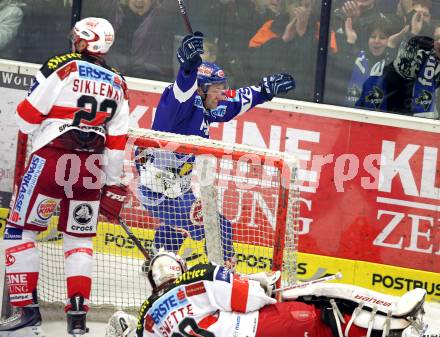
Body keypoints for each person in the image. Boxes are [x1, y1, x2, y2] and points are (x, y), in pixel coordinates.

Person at [0, 17, 129, 336]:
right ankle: (77, 318)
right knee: (80, 239)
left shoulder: (63, 65)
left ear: (87, 42)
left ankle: (26, 309)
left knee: (19, 230)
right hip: (92, 167)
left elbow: (27, 117)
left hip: (53, 157)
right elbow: (117, 142)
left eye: (79, 38)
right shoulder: (119, 82)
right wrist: (112, 184)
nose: (75, 42)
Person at [134, 30, 295, 264]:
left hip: (176, 189)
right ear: (199, 89)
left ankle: (158, 259)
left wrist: (264, 90)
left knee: (175, 229)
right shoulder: (177, 104)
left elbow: (233, 102)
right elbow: (182, 89)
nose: (221, 94)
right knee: (218, 227)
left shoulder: (205, 104)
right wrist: (188, 69)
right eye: (217, 89)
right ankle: (224, 274)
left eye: (222, 87)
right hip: (158, 192)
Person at [104, 250, 427, 337]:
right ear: (177, 267)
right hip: (256, 330)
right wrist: (264, 285)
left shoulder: (146, 318)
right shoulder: (198, 276)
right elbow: (252, 300)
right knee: (319, 306)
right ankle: (395, 319)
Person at [356, 22, 440, 118]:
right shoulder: (418, 66)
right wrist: (392, 46)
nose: (439, 42)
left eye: (382, 37)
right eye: (436, 38)